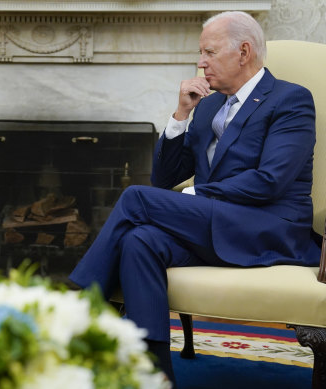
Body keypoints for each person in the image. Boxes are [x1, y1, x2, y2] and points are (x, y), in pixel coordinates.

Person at [69, 11, 321, 386]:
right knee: (140, 241)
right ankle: (153, 373)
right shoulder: (206, 106)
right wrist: (180, 115)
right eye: (199, 53)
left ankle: (77, 306)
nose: (200, 62)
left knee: (136, 198)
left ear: (244, 52)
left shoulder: (290, 100)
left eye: (209, 52)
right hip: (212, 225)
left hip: (268, 227)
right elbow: (164, 178)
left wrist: (197, 193)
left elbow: (270, 181)